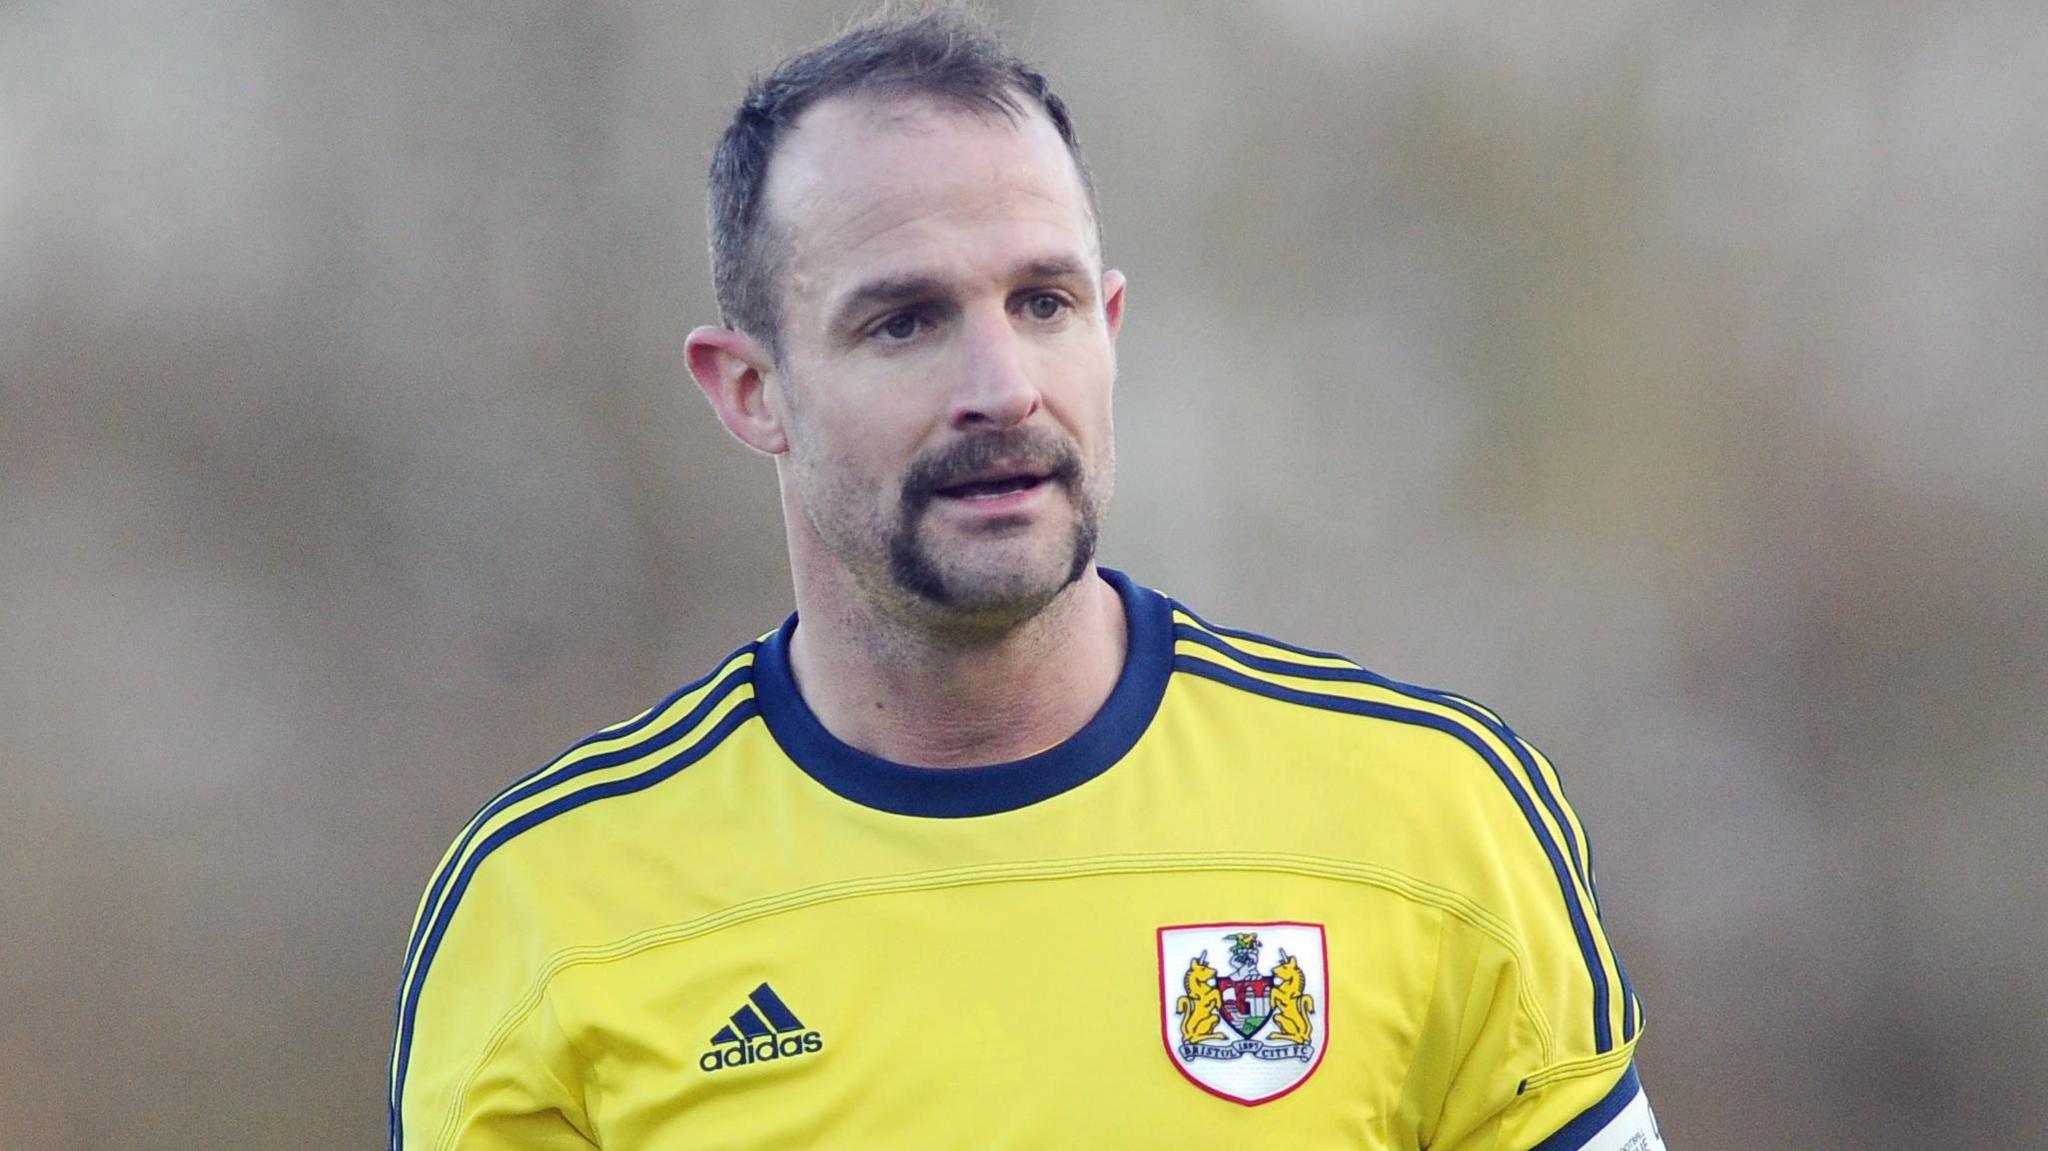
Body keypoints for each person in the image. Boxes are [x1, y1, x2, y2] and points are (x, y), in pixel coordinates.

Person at [388, 9, 1666, 1149]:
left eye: (1041, 302)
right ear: (750, 388)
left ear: (1107, 326)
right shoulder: (550, 911)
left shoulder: (1431, 818)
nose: (1001, 387)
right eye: (903, 321)